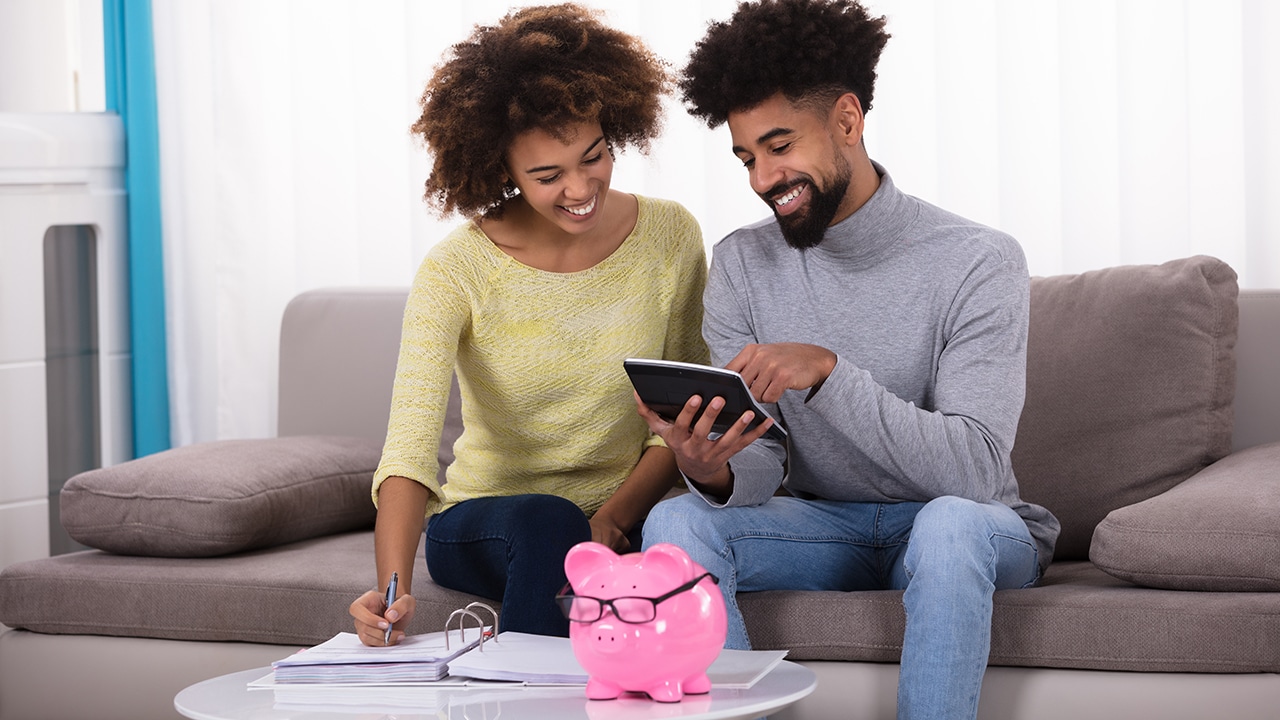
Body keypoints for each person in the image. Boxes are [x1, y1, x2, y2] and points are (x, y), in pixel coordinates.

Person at [634, 1, 1060, 718]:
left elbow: (976, 471)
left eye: (779, 146)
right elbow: (767, 463)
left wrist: (831, 374)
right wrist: (715, 468)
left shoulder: (977, 260)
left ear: (846, 121)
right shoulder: (742, 264)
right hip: (820, 528)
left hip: (964, 525)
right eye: (746, 157)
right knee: (675, 524)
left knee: (950, 522)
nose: (763, 177)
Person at [349, 3, 708, 646]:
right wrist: (391, 596)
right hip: (488, 520)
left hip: (624, 514)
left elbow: (677, 422)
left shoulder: (670, 236)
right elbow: (407, 453)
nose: (580, 188)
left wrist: (614, 520)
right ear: (501, 171)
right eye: (547, 176)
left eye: (593, 157)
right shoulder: (457, 269)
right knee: (549, 521)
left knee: (677, 533)